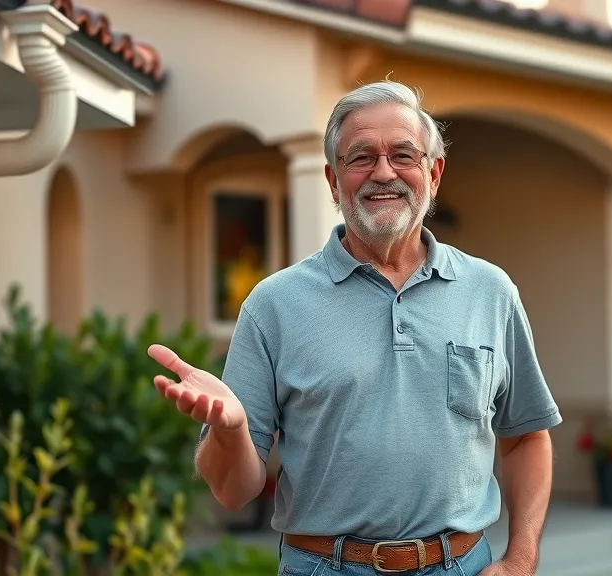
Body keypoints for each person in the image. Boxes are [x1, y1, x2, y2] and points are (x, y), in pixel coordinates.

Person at [148, 80, 562, 576]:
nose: (383, 172)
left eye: (403, 155)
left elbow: (525, 438)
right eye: (361, 157)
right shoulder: (274, 305)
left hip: (462, 566)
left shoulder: (490, 291)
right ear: (332, 179)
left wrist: (520, 560)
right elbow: (233, 491)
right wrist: (229, 430)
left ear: (434, 173)